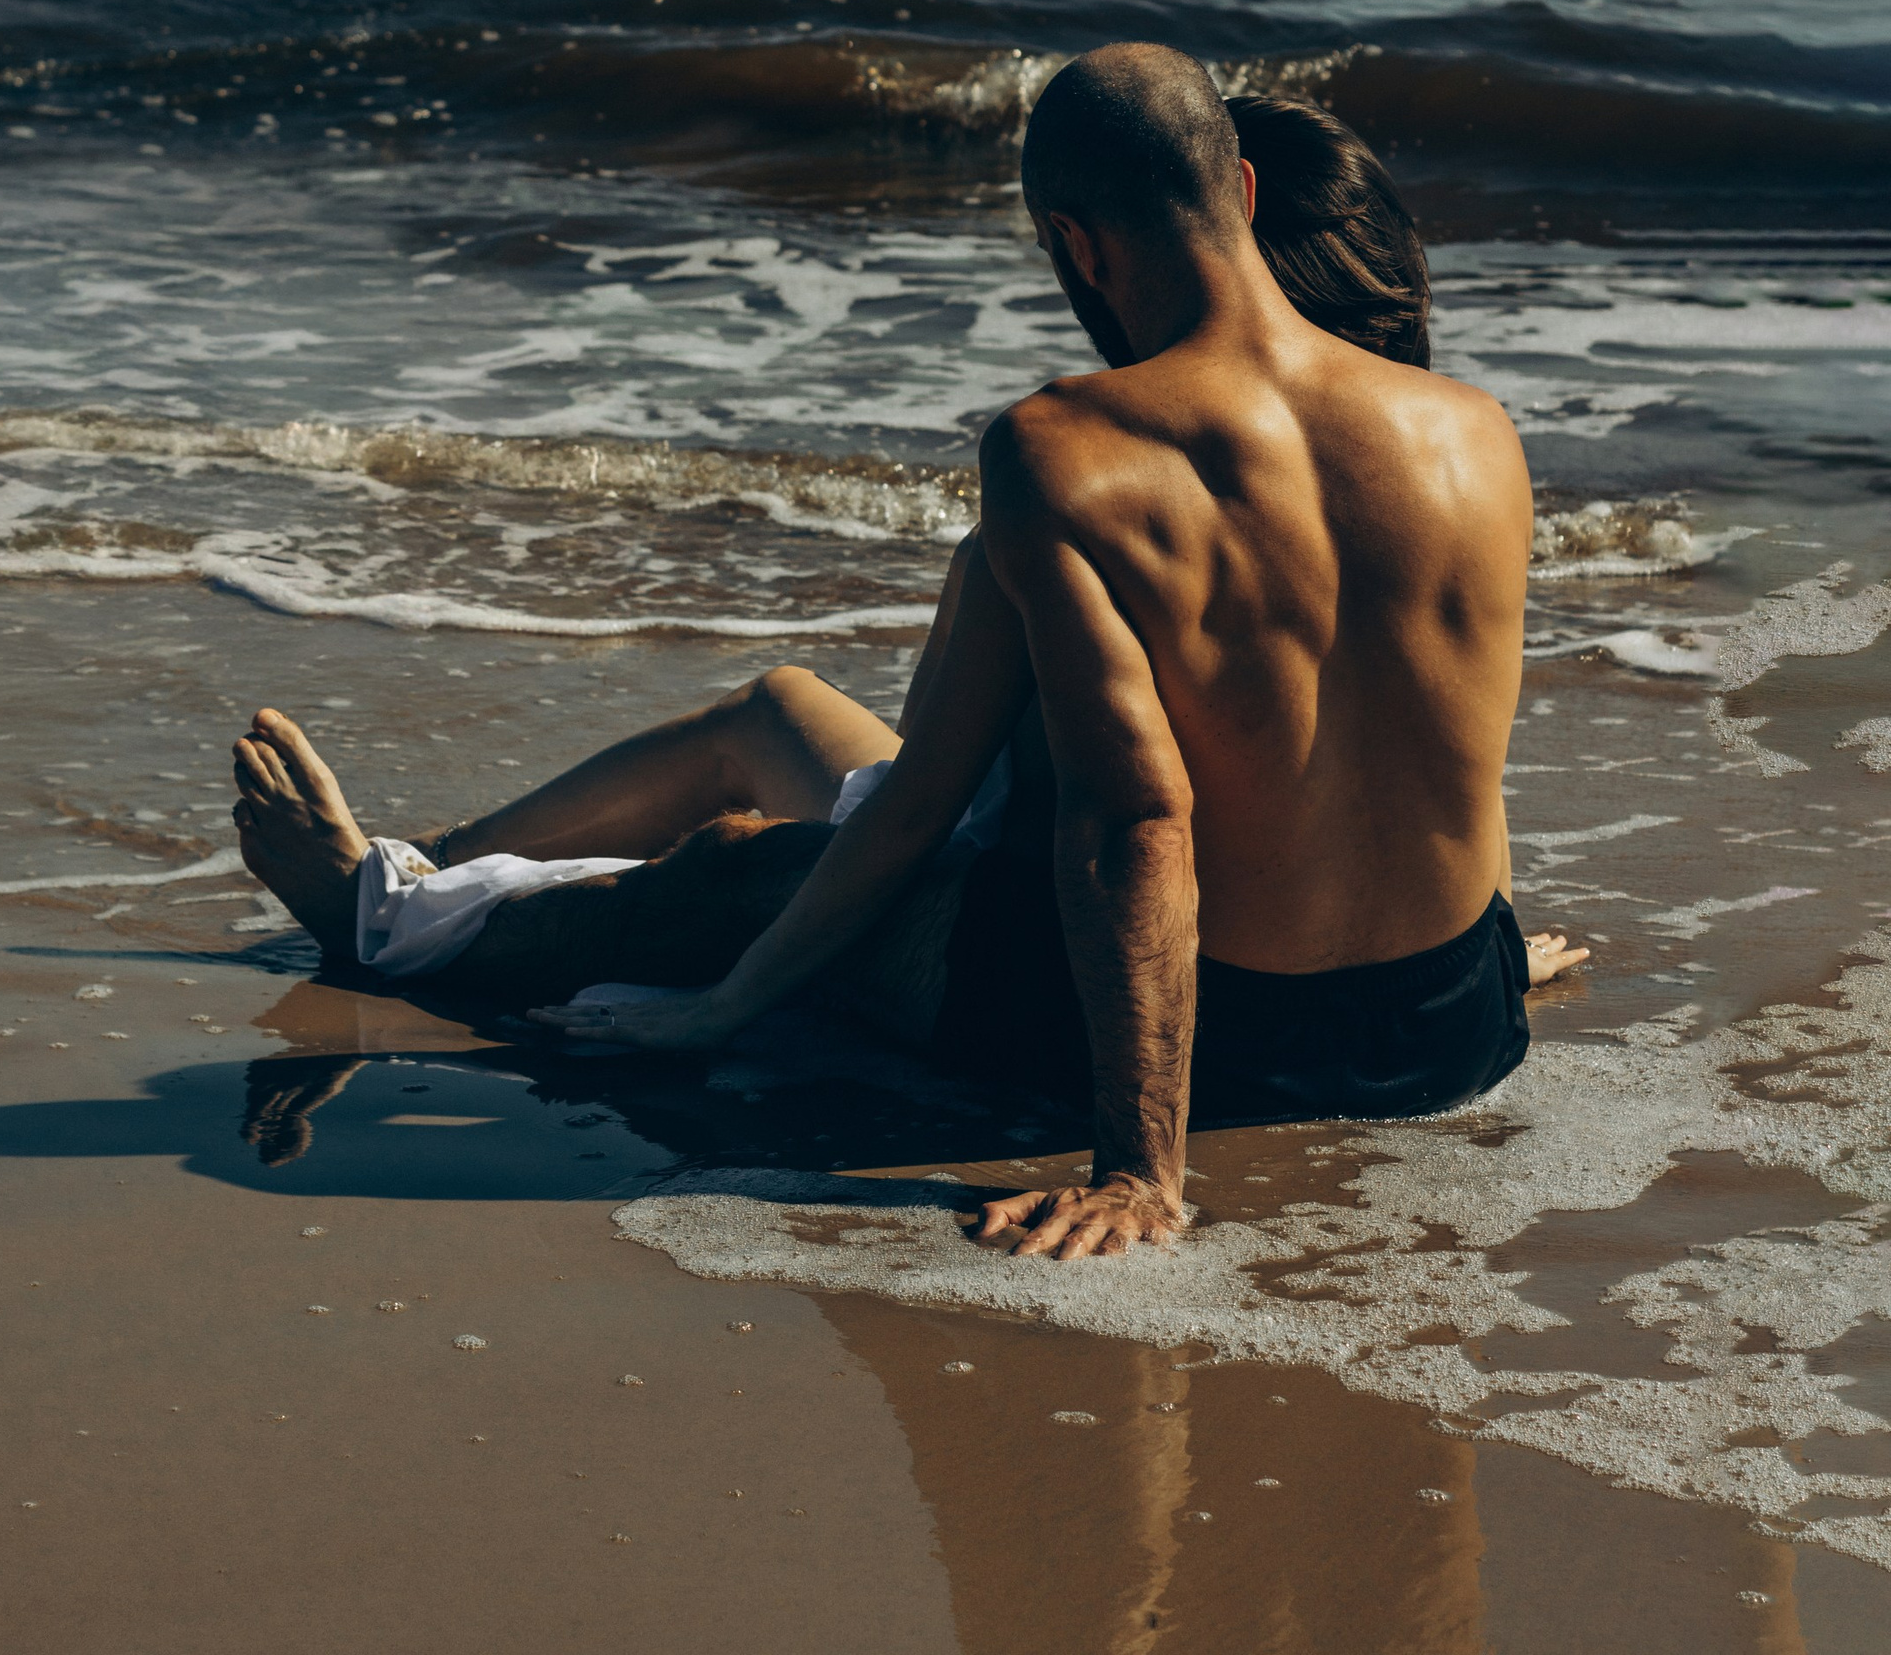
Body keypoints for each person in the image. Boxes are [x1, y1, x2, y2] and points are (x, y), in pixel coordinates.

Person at [231, 64, 1581, 1248]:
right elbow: (1444, 745)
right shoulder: (1470, 433)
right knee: (796, 740)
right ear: (1236, 181)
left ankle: (385, 922)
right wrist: (1482, 955)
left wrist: (1138, 1172)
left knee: (747, 877)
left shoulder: (1070, 451)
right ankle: (430, 872)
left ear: (1073, 242)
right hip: (1449, 1030)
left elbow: (1137, 822)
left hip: (1222, 1047)